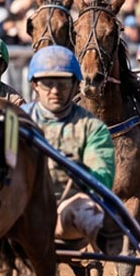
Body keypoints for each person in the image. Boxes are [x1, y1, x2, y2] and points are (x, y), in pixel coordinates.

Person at [22, 45, 118, 258]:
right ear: (35, 85)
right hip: (21, 207)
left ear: (75, 85)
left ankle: (104, 233)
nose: (55, 91)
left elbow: (101, 176)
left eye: (63, 84)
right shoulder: (17, 122)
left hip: (67, 209)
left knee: (83, 207)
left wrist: (79, 172)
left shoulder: (92, 128)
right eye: (48, 83)